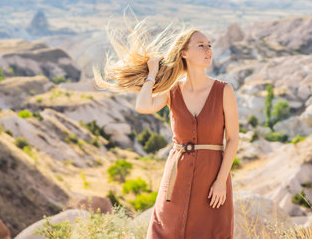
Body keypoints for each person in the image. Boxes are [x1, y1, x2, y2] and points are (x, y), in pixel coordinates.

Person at [92, 14, 239, 239]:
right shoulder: (172, 91)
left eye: (209, 45)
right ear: (184, 53)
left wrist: (220, 182)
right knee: (168, 229)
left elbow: (233, 140)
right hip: (177, 176)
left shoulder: (224, 91)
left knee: (211, 231)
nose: (208, 50)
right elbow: (143, 105)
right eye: (201, 46)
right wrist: (152, 74)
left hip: (212, 175)